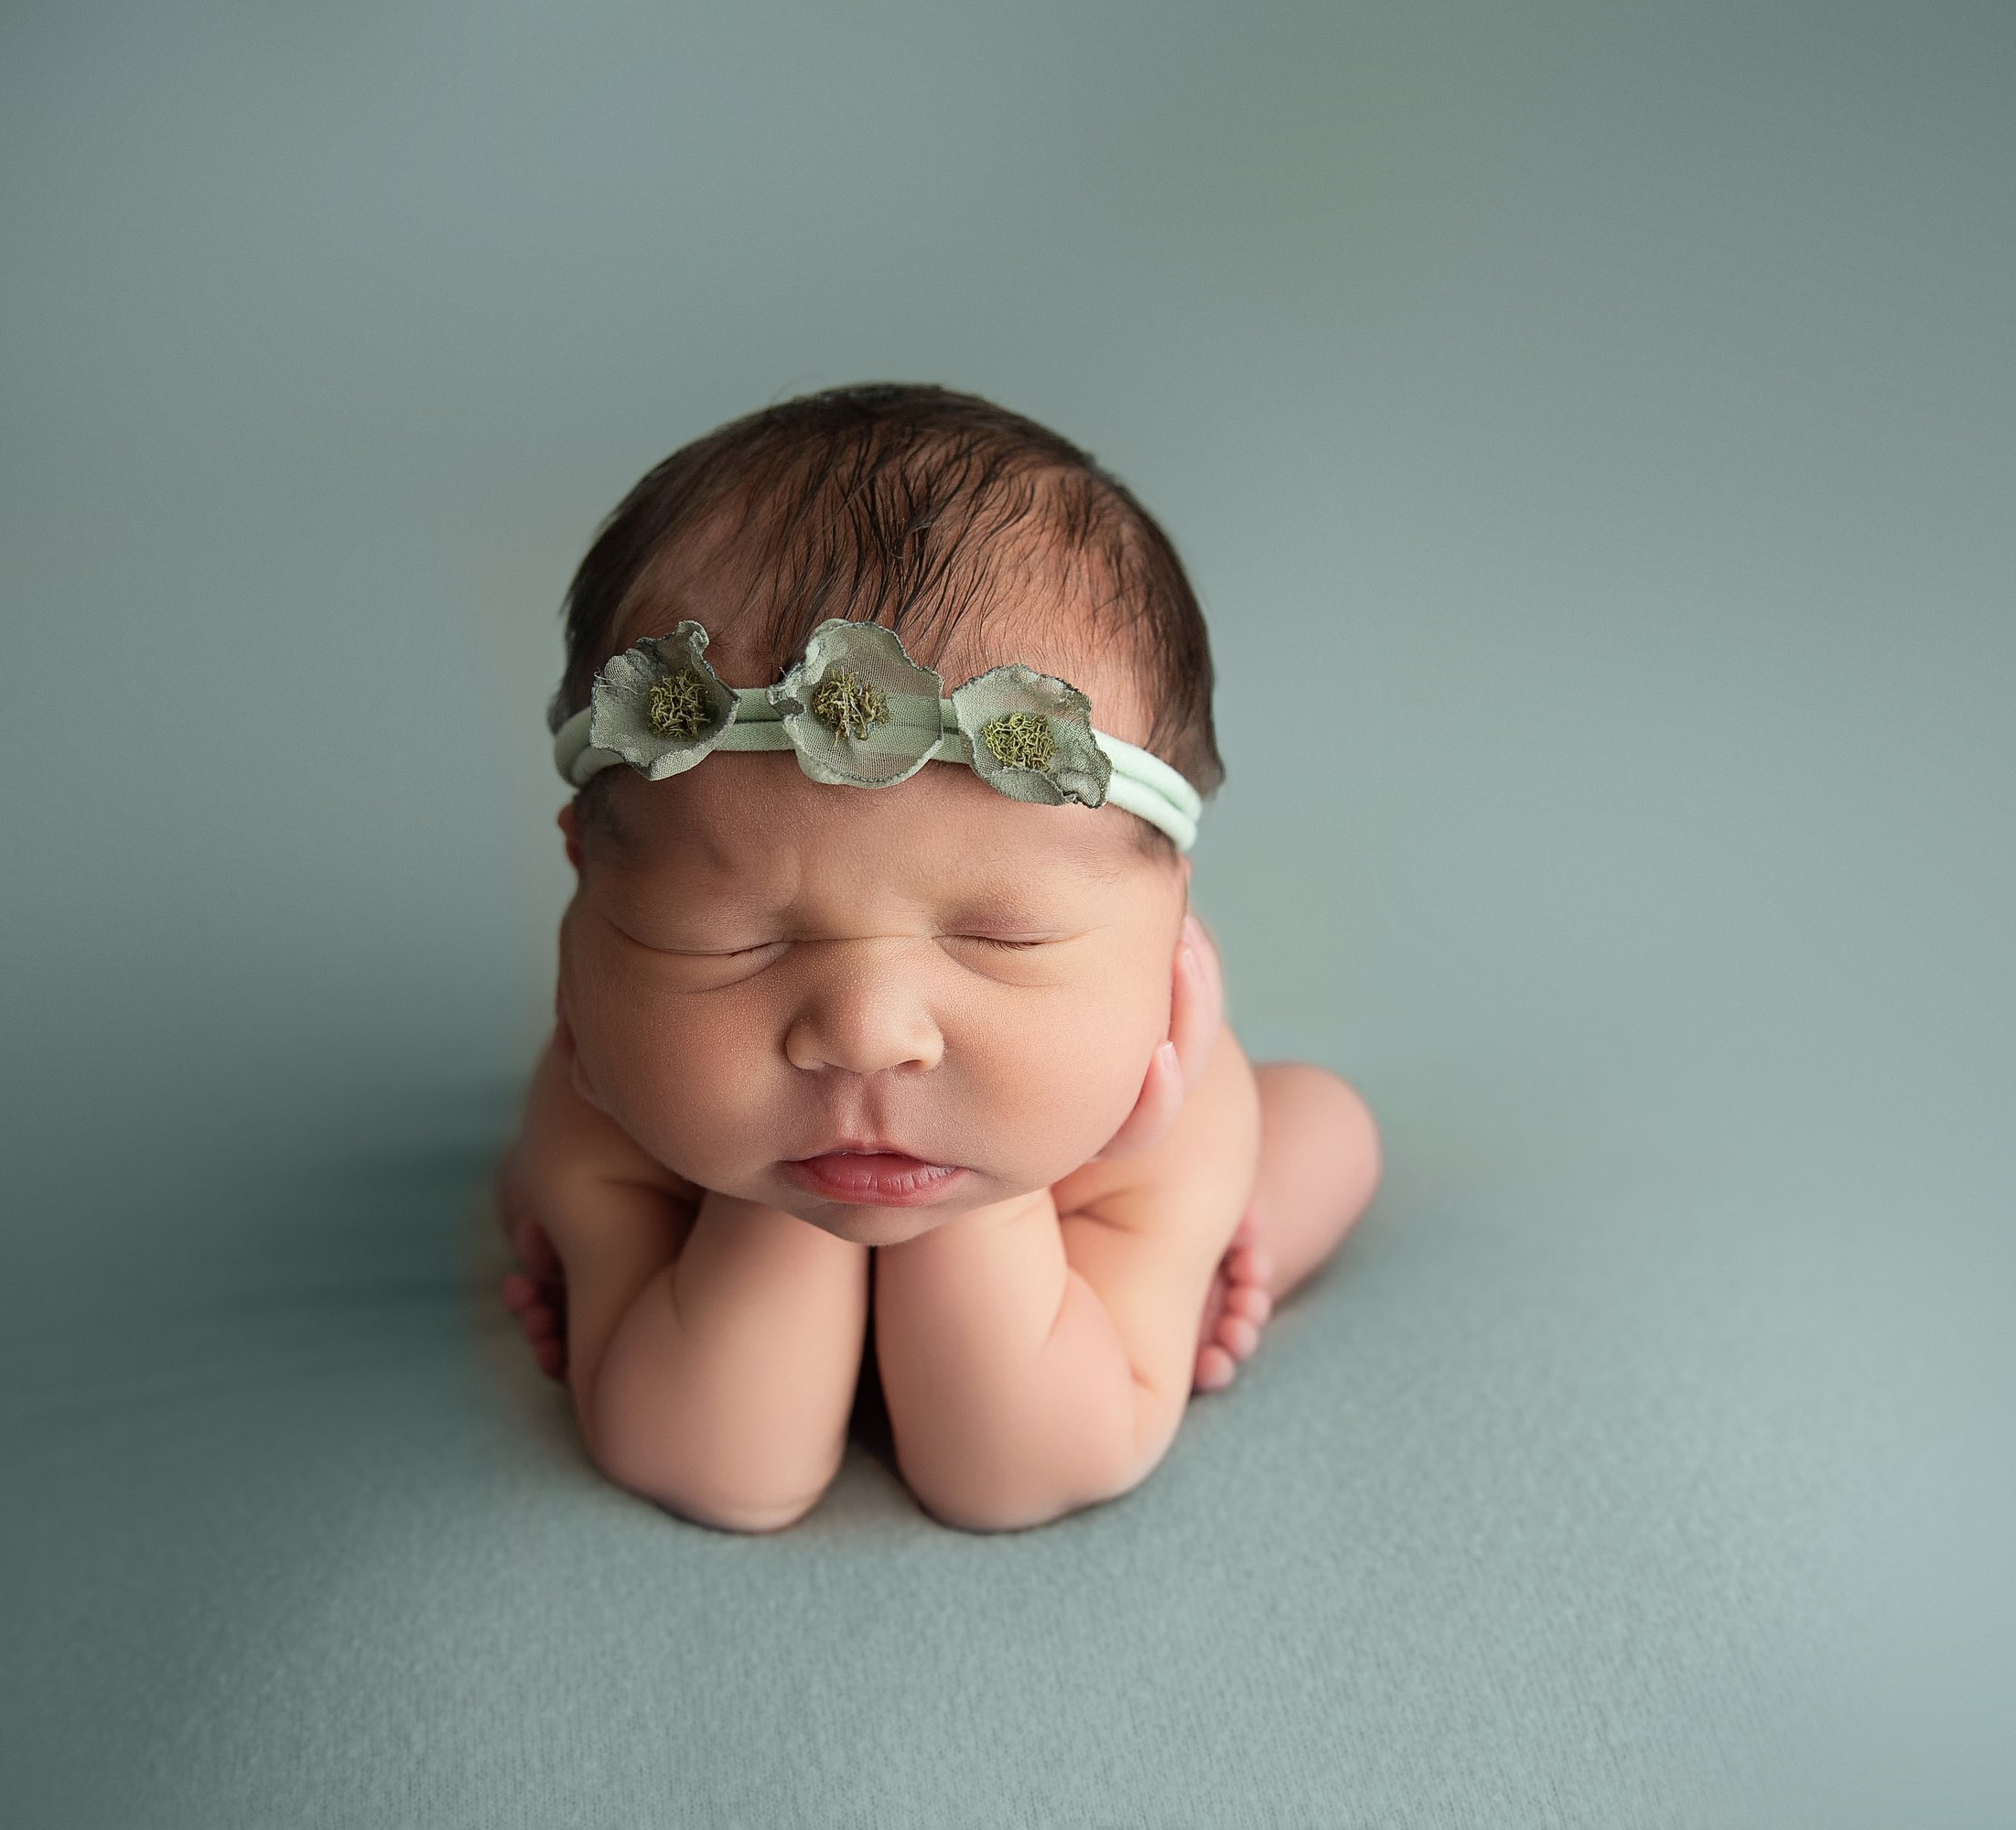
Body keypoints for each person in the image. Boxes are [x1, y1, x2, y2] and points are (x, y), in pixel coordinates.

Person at [496, 383, 1382, 1533]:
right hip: (676, 1159)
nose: (867, 1030)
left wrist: (1008, 1200)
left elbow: (1012, 1471)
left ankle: (1193, 1251)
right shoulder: (609, 1110)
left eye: (1001, 935)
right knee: (555, 1162)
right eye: (733, 936)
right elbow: (720, 1465)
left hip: (1094, 1163)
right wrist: (740, 1184)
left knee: (1316, 1125)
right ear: (588, 913)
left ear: (1171, 924)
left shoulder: (1148, 1110)